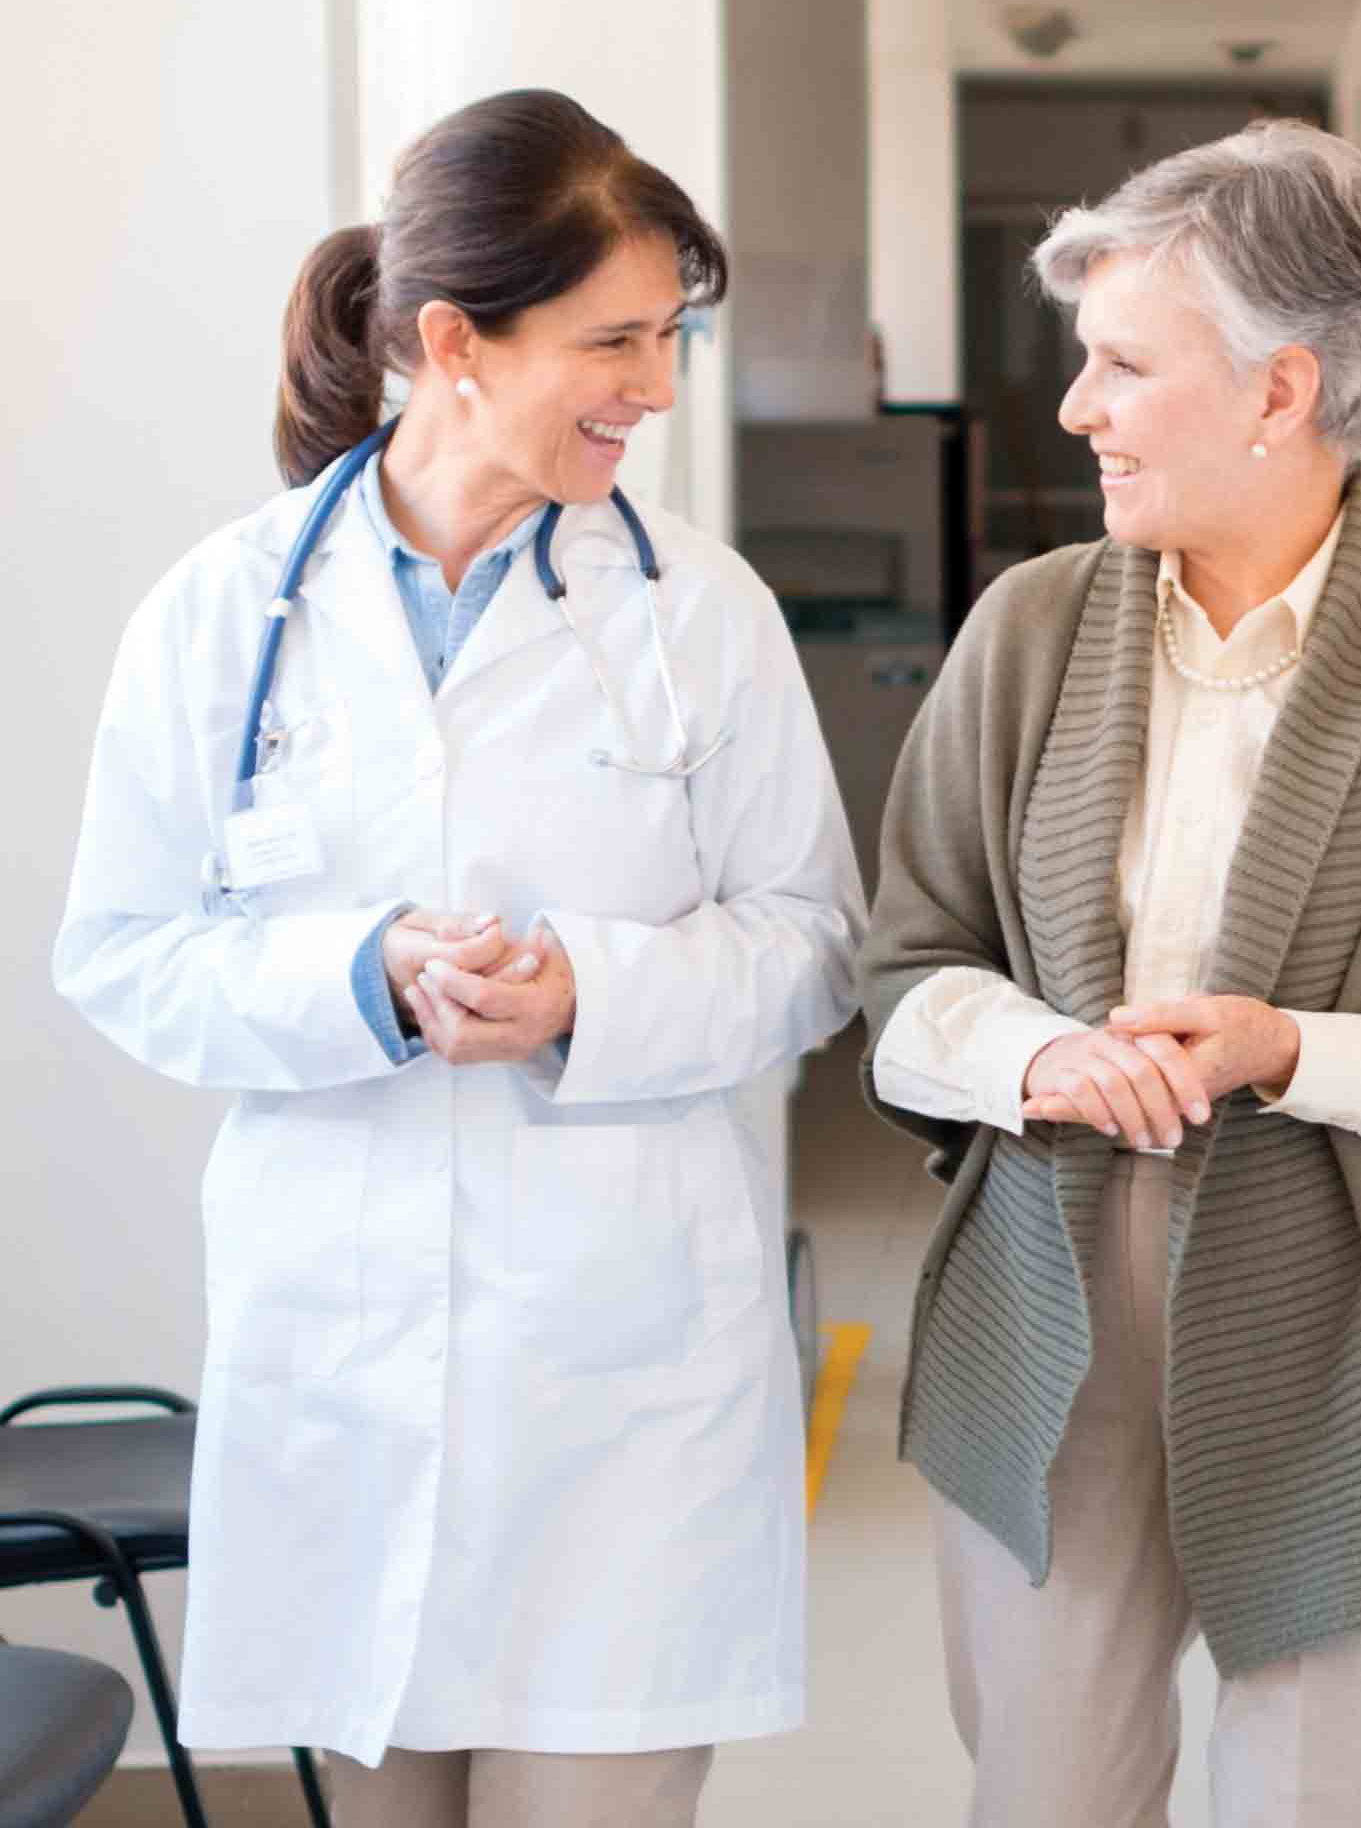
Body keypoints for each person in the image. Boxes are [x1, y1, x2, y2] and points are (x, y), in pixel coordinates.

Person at [54, 88, 863, 1828]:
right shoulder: (228, 610)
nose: (655, 386)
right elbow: (122, 951)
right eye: (615, 339)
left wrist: (592, 992)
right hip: (343, 1381)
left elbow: (810, 948)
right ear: (452, 342)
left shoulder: (700, 611)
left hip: (622, 1382)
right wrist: (358, 979)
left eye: (672, 338)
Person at [860, 121, 1361, 1828]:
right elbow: (903, 973)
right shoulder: (1031, 632)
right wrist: (1037, 1060)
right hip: (1049, 1296)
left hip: (1340, 1309)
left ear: (1280, 392)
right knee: (1045, 1788)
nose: (1078, 410)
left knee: (1320, 1801)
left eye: (1124, 364)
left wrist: (1291, 1051)